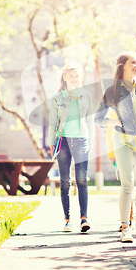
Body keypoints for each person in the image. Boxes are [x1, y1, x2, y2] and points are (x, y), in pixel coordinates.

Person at [95, 51, 136, 243]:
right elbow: (99, 118)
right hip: (122, 139)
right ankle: (125, 227)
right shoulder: (112, 91)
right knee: (127, 184)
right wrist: (115, 123)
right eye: (133, 62)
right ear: (122, 65)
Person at [49, 63, 94, 233]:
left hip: (81, 139)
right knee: (65, 181)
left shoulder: (85, 95)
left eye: (77, 76)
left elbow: (90, 120)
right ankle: (67, 220)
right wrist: (52, 143)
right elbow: (53, 122)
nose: (75, 79)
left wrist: (91, 141)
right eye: (72, 76)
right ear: (64, 78)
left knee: (82, 179)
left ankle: (84, 218)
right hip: (63, 142)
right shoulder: (57, 97)